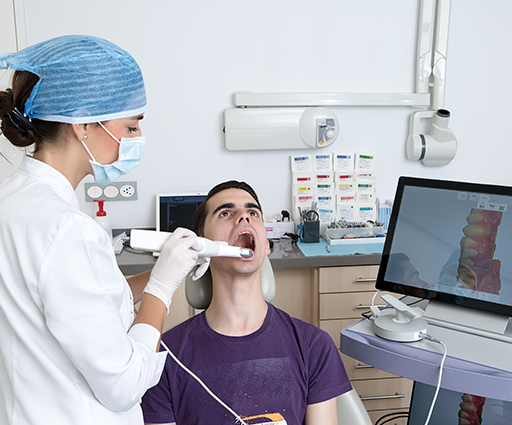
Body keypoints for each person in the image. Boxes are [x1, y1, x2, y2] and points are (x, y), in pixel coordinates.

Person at [0, 35, 207, 424]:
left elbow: (81, 299)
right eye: (130, 126)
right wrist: (162, 289)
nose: (137, 139)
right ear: (82, 124)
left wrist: (163, 270)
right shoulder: (66, 228)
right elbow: (123, 384)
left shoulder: (13, 201)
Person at [141, 181, 352, 425]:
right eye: (225, 213)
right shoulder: (163, 358)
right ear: (202, 246)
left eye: (253, 212)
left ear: (266, 245)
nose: (244, 217)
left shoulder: (314, 346)